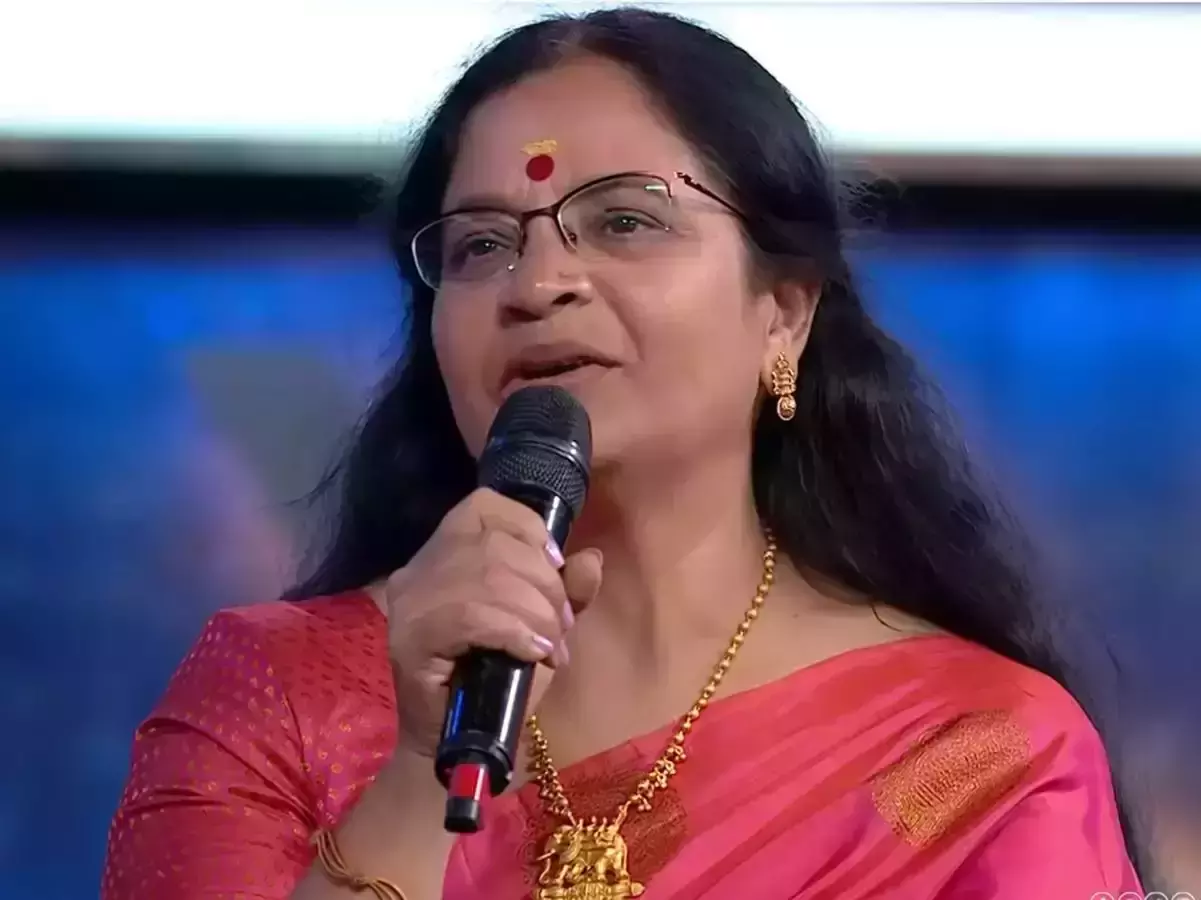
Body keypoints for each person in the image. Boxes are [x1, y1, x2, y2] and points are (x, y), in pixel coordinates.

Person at [102, 8, 1144, 899]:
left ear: (784, 314)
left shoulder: (970, 751)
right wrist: (421, 768)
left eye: (625, 222)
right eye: (481, 244)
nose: (537, 283)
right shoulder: (279, 694)